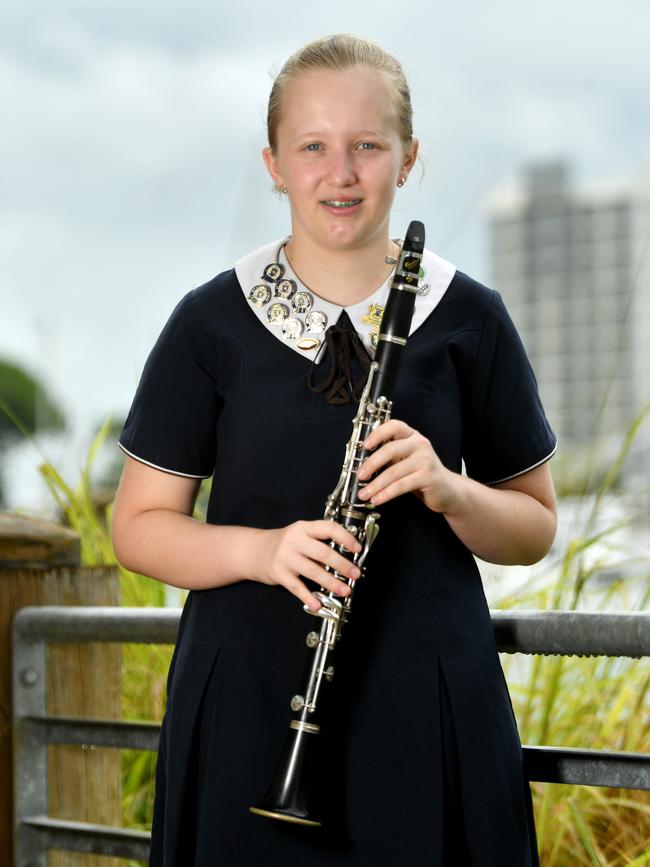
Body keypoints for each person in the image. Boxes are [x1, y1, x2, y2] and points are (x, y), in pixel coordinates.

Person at [111, 33, 557, 867]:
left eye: (367, 146)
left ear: (408, 158)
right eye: (312, 146)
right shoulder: (210, 322)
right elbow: (137, 526)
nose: (340, 172)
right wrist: (264, 549)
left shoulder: (472, 319)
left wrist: (450, 490)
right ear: (275, 162)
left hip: (430, 702)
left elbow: (534, 528)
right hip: (247, 703)